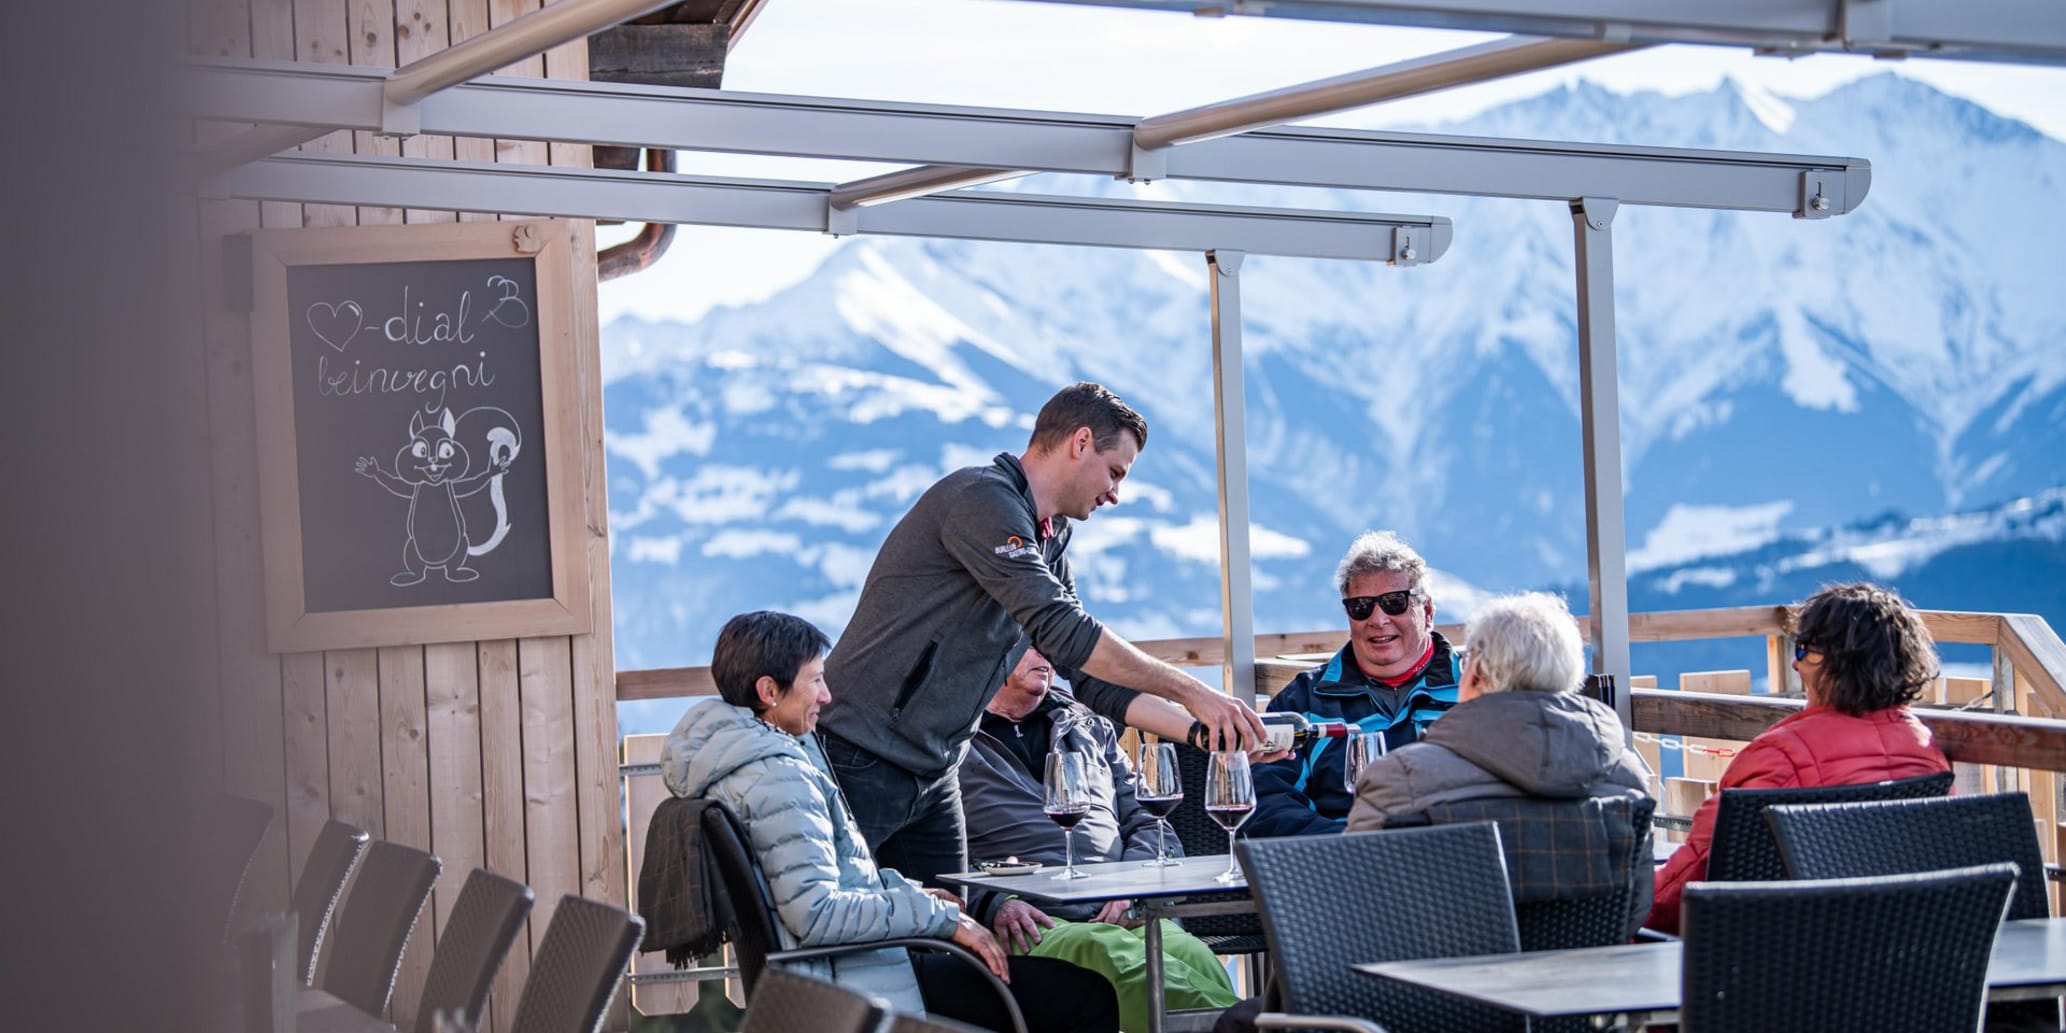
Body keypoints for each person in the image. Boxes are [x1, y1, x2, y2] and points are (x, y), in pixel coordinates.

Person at [819, 382, 1267, 885]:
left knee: (950, 933)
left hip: (934, 770)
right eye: (1115, 472)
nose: (1116, 494)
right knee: (841, 926)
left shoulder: (1050, 537)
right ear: (1080, 443)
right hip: (863, 753)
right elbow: (1067, 630)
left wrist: (1206, 732)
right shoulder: (982, 500)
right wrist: (1193, 690)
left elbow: (1087, 677)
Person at [662, 611, 1119, 1033]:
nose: (827, 696)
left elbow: (822, 884)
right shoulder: (776, 779)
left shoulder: (747, 760)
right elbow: (818, 913)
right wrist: (940, 919)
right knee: (1085, 994)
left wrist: (911, 894)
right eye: (815, 682)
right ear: (768, 691)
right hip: (857, 983)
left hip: (849, 970)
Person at [960, 648, 1241, 1033]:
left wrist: (1132, 888)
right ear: (991, 650)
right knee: (1124, 963)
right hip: (1036, 920)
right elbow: (922, 852)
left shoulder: (1087, 726)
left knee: (1194, 955)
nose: (1044, 654)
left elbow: (1150, 821)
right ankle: (1261, 1027)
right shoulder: (953, 742)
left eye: (1048, 644)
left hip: (1124, 908)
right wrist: (994, 903)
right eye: (1029, 643)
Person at [1346, 591, 1655, 939]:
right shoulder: (1625, 773)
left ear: (1475, 671)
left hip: (1437, 987)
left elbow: (1357, 909)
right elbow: (1636, 907)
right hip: (1585, 986)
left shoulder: (1400, 778)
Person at [1647, 582, 1951, 934]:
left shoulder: (1778, 758)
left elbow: (1684, 888)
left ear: (1836, 663)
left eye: (1804, 649)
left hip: (1787, 960)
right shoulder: (1926, 751)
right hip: (1908, 950)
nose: (1795, 662)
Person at [1248, 531, 1461, 838]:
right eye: (1361, 606)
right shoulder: (1303, 701)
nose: (1378, 619)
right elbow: (1269, 801)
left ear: (1427, 612)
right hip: (1338, 869)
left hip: (1454, 859)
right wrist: (1347, 850)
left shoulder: (1474, 690)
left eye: (1394, 602)